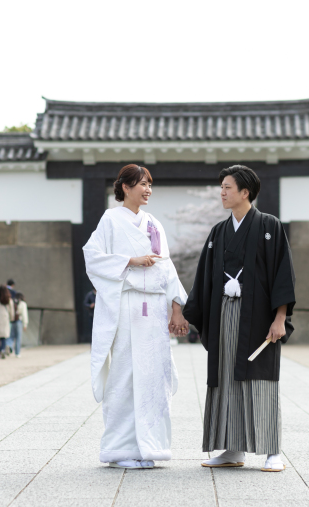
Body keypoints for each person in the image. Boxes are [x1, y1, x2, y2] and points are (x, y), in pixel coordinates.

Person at [183, 165, 296, 473]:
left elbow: (282, 274)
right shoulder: (219, 231)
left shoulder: (269, 226)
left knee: (260, 380)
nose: (222, 192)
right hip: (223, 313)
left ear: (245, 192)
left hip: (258, 316)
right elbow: (204, 276)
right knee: (226, 377)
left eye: (228, 187)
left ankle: (272, 450)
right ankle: (233, 449)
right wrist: (186, 311)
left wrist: (280, 318)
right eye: (221, 187)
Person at [83, 164, 189, 469]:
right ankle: (120, 449)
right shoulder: (110, 219)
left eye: (150, 184)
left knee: (155, 375)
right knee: (125, 375)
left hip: (154, 310)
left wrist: (176, 307)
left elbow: (166, 266)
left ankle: (151, 447)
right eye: (142, 184)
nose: (148, 189)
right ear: (125, 187)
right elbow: (93, 257)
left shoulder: (154, 223)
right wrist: (130, 260)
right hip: (128, 305)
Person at [13, 292, 28, 358]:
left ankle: (9, 346)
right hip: (19, 321)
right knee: (18, 337)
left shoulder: (12, 302)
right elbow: (24, 314)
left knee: (10, 337)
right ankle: (17, 353)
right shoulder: (23, 304)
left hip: (12, 321)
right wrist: (25, 324)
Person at [6, 279, 19, 355]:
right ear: (13, 285)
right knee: (11, 333)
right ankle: (9, 345)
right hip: (11, 317)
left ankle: (5, 346)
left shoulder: (3, 292)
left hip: (3, 316)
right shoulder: (14, 293)